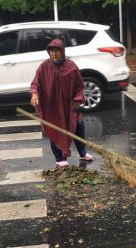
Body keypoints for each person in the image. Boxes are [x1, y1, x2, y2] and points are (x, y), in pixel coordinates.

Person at [30, 38, 94, 167]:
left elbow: (80, 86)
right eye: (51, 51)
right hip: (52, 107)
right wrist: (34, 94)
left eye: (56, 51)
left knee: (79, 127)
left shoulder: (71, 66)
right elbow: (35, 83)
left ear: (62, 51)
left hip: (70, 106)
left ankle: (82, 152)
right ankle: (59, 158)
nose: (53, 54)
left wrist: (78, 99)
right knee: (55, 130)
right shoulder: (44, 67)